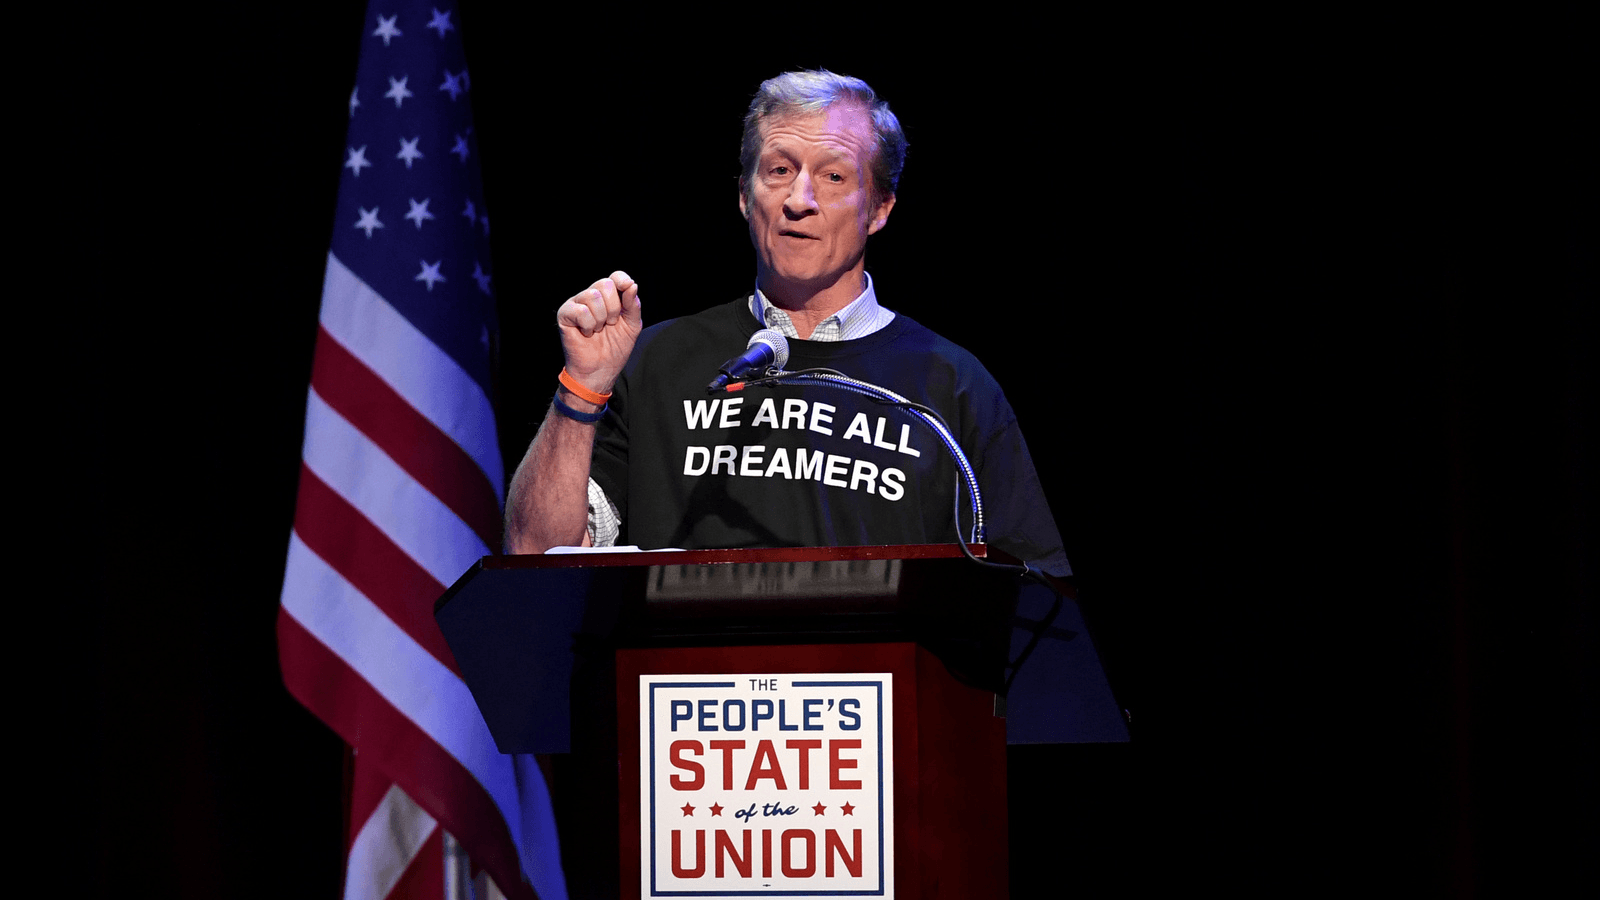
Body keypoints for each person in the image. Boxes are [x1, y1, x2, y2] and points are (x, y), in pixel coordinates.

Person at [504, 70, 1069, 576]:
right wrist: (583, 387)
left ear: (879, 209)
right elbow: (536, 555)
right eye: (779, 170)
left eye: (832, 177)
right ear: (746, 198)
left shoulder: (951, 385)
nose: (800, 199)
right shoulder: (654, 363)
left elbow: (1031, 601)